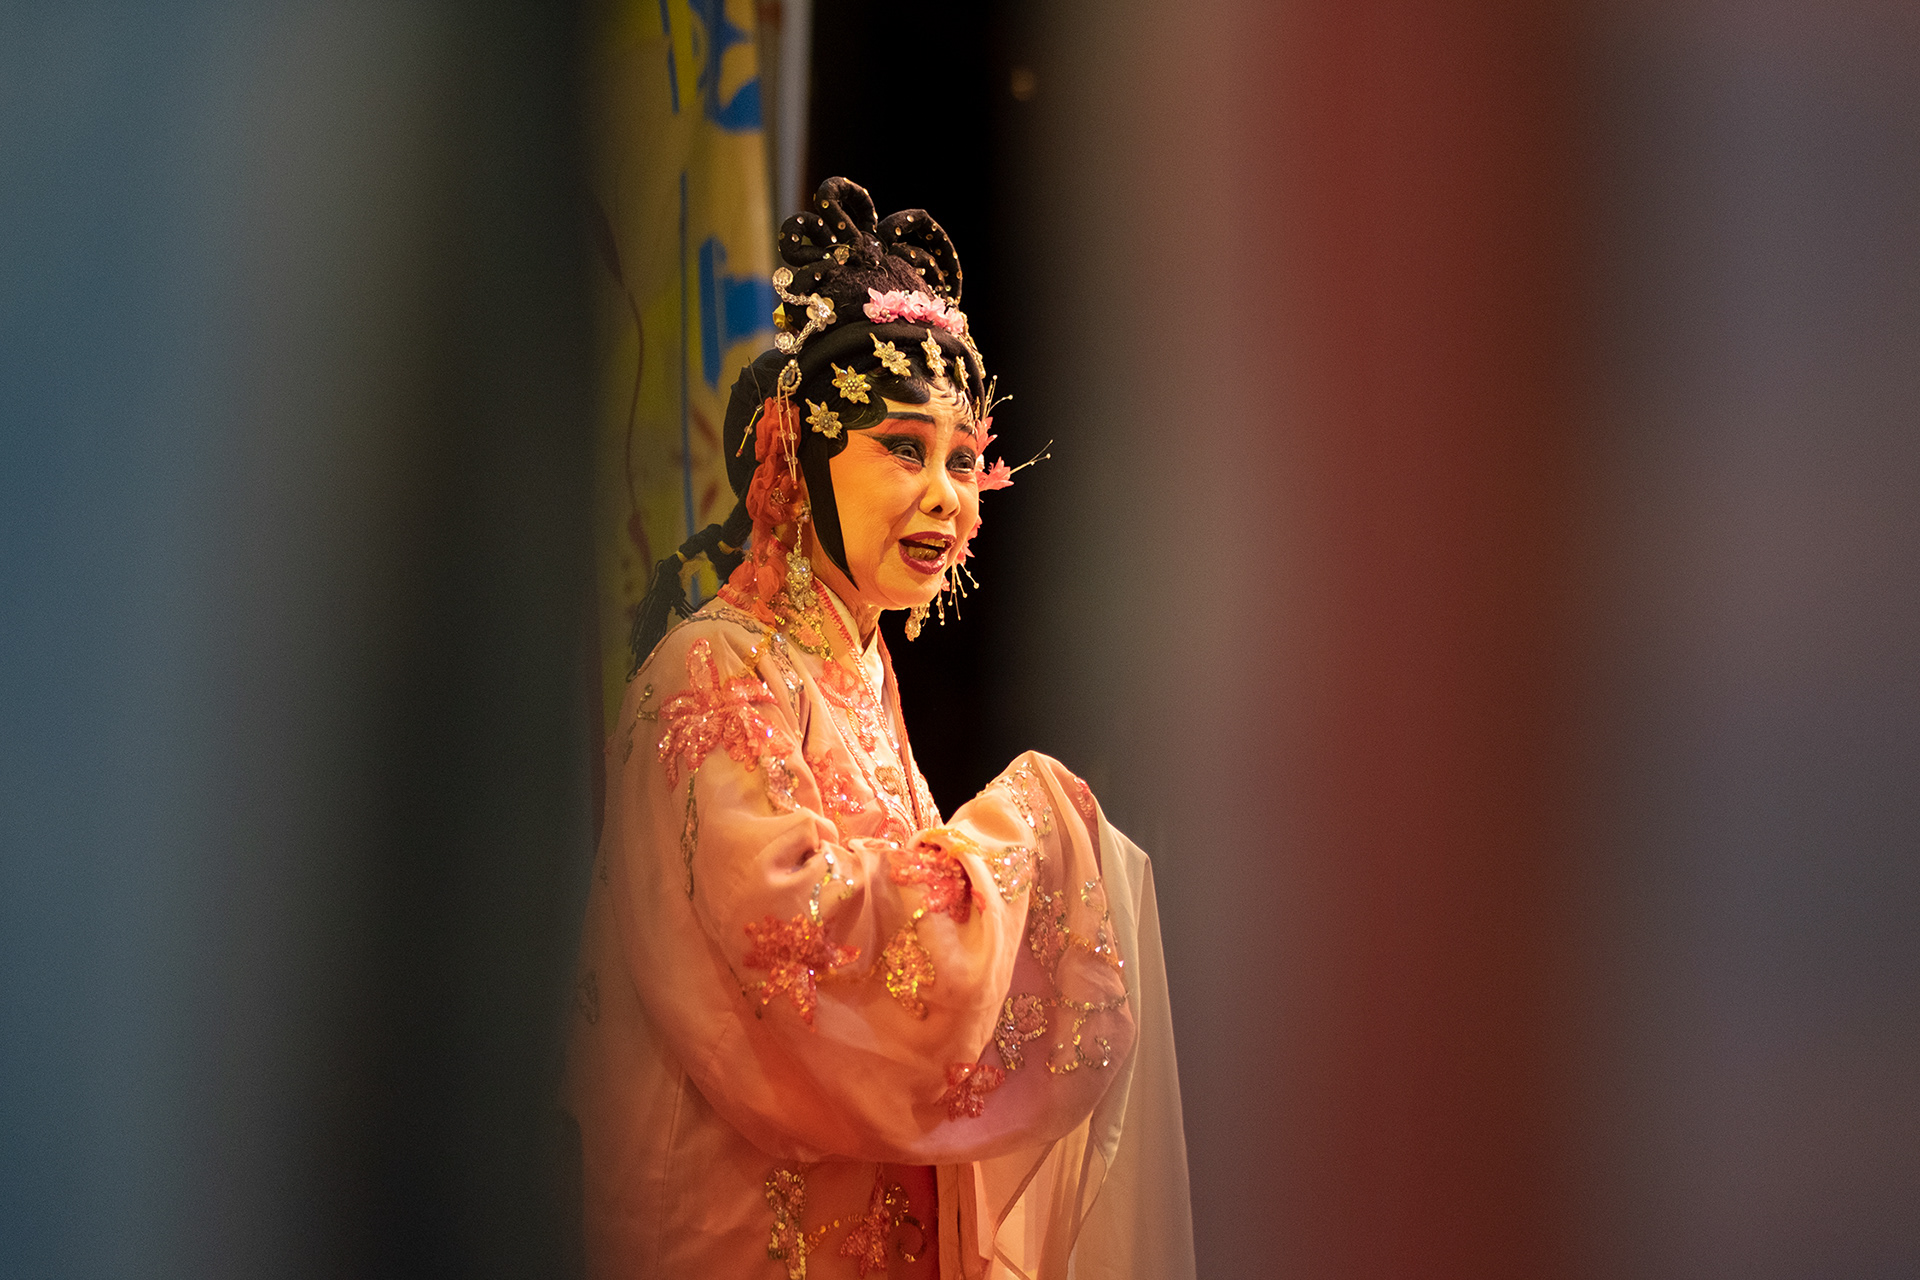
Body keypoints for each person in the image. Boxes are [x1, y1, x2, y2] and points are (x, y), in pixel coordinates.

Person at [565, 179, 1193, 1279]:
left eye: (964, 458)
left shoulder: (855, 669)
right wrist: (1025, 833)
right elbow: (804, 954)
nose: (950, 496)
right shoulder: (710, 670)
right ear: (798, 454)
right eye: (905, 448)